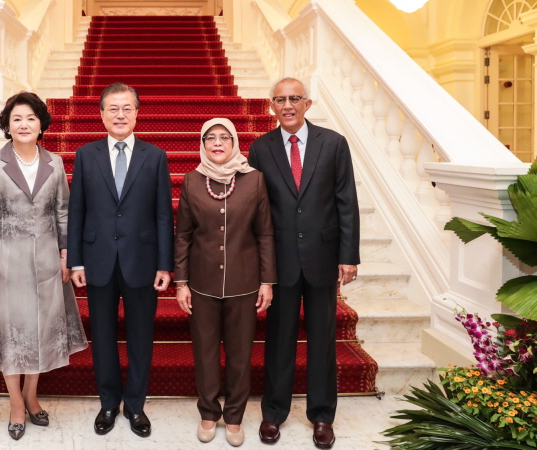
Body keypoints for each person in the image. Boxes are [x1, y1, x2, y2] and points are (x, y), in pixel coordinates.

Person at [0, 91, 88, 441]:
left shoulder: (54, 163)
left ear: (41, 123)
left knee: (39, 329)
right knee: (13, 332)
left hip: (46, 260)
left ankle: (31, 395)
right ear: (7, 126)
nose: (24, 124)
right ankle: (16, 403)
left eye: (30, 118)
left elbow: (63, 213)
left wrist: (65, 255)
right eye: (17, 119)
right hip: (6, 260)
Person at [247, 77, 360, 449]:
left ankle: (323, 416)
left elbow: (346, 201)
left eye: (294, 98)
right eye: (279, 99)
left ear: (308, 103)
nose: (287, 105)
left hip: (323, 257)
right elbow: (256, 208)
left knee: (322, 339)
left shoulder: (334, 144)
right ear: (271, 106)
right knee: (279, 339)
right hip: (279, 261)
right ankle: (274, 412)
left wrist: (348, 255)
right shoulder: (260, 148)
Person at [67, 82, 174, 438]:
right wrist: (77, 262)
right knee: (103, 335)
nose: (120, 115)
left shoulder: (155, 155)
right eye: (113, 108)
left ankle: (136, 405)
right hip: (97, 260)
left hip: (142, 259)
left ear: (137, 113)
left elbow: (163, 214)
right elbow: (77, 211)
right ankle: (109, 403)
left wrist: (164, 264)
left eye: (127, 108)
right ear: (100, 114)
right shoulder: (86, 155)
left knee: (141, 336)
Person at [174, 118, 276, 447]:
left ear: (234, 143)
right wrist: (181, 281)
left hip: (244, 284)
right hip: (201, 284)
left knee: (239, 354)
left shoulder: (254, 180)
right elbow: (183, 236)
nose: (217, 143)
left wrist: (267, 281)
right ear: (202, 145)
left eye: (224, 138)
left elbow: (264, 234)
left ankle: (233, 416)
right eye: (210, 138)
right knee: (204, 353)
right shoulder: (192, 180)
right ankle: (208, 412)